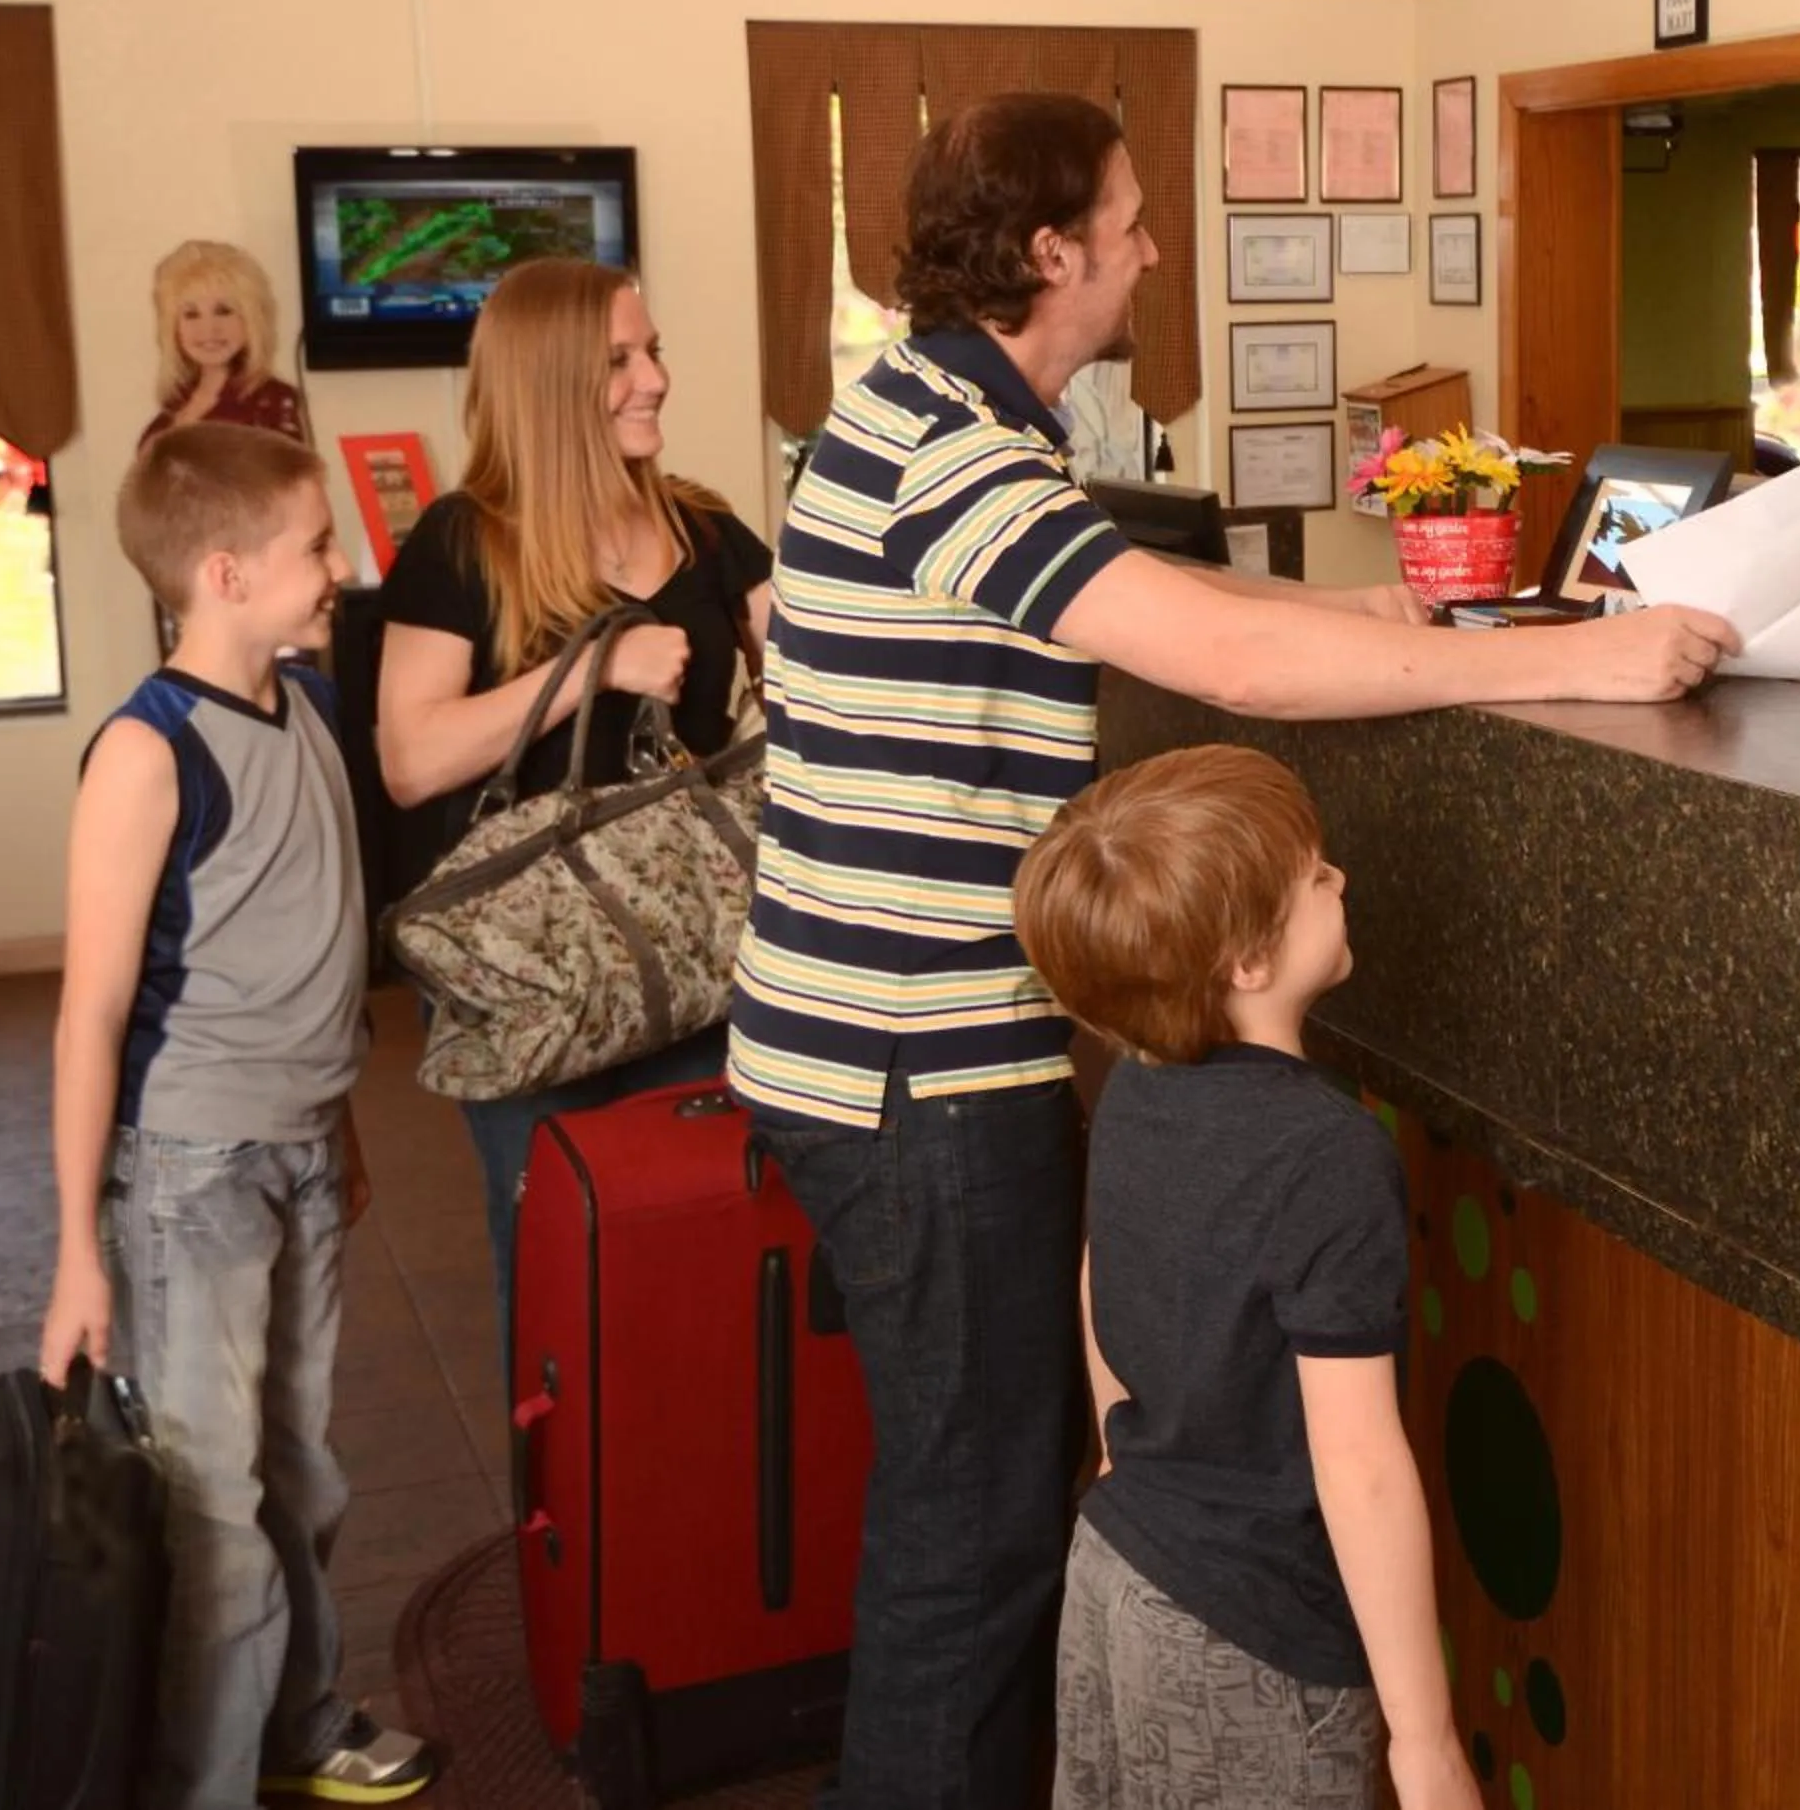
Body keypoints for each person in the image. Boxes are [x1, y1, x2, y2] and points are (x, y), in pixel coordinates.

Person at [727, 91, 1734, 1810]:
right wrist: (1574, 661)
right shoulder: (955, 453)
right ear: (1050, 252)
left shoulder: (934, 412)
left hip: (876, 1049)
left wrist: (1365, 612)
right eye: (1127, 222)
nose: (1149, 250)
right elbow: (1222, 662)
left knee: (971, 1515)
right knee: (970, 1547)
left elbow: (1139, 584)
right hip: (911, 1068)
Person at [38, 421, 435, 1809]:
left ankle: (296, 1726)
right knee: (211, 1504)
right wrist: (79, 1253)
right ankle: (200, 1782)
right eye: (315, 547)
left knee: (300, 1471)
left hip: (303, 1148)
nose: (339, 568)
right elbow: (89, 1014)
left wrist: (343, 1125)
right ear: (225, 573)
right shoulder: (146, 752)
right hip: (190, 1168)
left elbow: (311, 950)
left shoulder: (311, 704)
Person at [1017, 743, 1477, 1810]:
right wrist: (1427, 1744)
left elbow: (1097, 1274)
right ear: (1248, 965)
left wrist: (1120, 1460)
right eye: (1313, 875)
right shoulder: (1328, 1153)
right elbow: (1359, 1464)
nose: (1340, 878)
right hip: (1252, 1641)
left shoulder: (1137, 1084)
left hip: (1114, 1568)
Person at [376, 258, 770, 1341]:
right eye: (619, 360)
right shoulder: (462, 542)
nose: (656, 378)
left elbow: (815, 686)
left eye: (654, 351)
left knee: (712, 1261)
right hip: (537, 984)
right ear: (551, 383)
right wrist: (593, 669)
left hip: (703, 965)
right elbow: (411, 756)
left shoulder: (705, 528)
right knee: (568, 1284)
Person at [139, 241, 310, 451]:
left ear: (252, 318)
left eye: (223, 311)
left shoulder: (273, 401)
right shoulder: (176, 400)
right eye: (191, 314)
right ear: (173, 328)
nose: (209, 329)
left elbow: (291, 470)